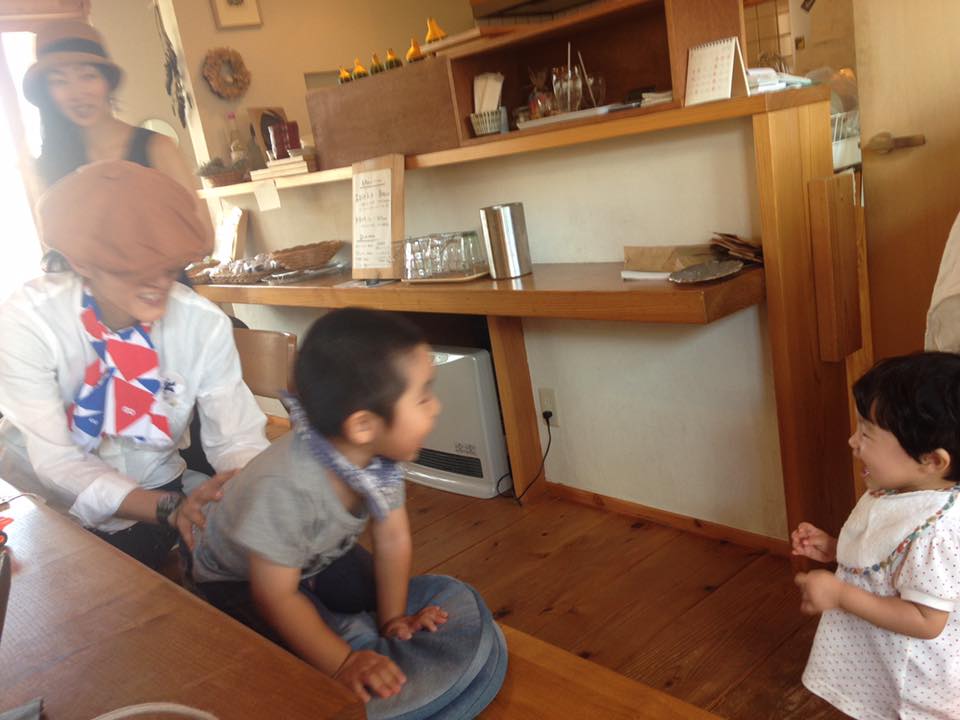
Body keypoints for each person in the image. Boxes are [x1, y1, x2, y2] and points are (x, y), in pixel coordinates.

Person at [0, 161, 269, 569]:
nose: (157, 282)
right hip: (47, 508)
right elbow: (57, 461)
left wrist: (254, 490)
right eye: (131, 268)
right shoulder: (28, 322)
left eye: (168, 266)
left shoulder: (202, 324)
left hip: (159, 491)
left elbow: (236, 439)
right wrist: (170, 508)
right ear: (81, 262)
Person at [188, 308, 452, 703]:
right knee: (302, 661)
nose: (436, 407)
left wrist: (393, 619)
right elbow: (274, 596)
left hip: (310, 552)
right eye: (423, 397)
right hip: (237, 576)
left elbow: (393, 539)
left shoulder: (378, 461)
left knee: (372, 597)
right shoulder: (287, 488)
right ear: (363, 426)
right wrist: (343, 663)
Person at [792, 352, 960, 719]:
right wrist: (836, 549)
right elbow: (888, 555)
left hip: (911, 680)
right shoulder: (899, 489)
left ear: (932, 460)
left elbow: (926, 619)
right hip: (877, 657)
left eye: (867, 433)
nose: (852, 441)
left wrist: (840, 594)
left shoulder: (937, 530)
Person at [23, 20, 198, 194]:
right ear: (47, 93)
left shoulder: (158, 148)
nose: (76, 93)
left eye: (88, 76)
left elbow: (194, 213)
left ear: (107, 81)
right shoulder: (49, 166)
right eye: (59, 81)